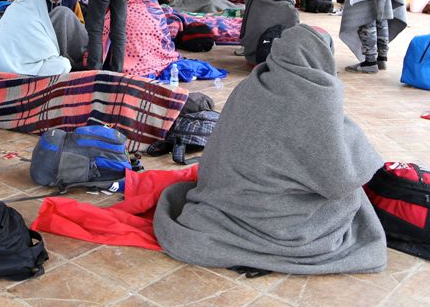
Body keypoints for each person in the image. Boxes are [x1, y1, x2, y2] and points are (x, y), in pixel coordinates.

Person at [153, 25, 387, 275]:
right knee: (352, 199)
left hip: (227, 201)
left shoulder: (249, 85)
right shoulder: (318, 96)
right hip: (280, 224)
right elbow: (339, 179)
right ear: (323, 56)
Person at [0, 0, 72, 75]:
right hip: (16, 69)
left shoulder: (11, 10)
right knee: (64, 64)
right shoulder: (31, 18)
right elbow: (49, 51)